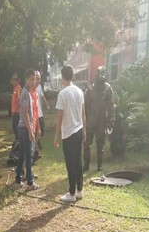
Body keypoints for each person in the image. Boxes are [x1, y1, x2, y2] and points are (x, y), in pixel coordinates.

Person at [54, 65, 86, 203]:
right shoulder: (79, 91)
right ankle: (79, 191)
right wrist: (84, 130)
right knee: (78, 161)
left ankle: (72, 194)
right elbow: (83, 114)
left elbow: (59, 117)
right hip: (79, 130)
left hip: (69, 134)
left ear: (63, 76)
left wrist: (56, 136)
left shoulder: (63, 94)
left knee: (70, 164)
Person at [83, 66, 115, 172]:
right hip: (91, 119)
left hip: (102, 120)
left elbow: (111, 104)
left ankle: (99, 165)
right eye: (97, 74)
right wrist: (84, 119)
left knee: (100, 143)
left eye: (101, 74)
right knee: (87, 143)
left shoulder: (108, 88)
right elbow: (85, 105)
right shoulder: (90, 88)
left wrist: (111, 118)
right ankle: (86, 164)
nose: (99, 76)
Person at [15, 69, 40, 191]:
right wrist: (31, 132)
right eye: (31, 79)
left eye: (34, 79)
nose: (33, 82)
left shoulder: (28, 92)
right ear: (26, 80)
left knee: (22, 155)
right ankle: (30, 183)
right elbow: (24, 114)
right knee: (28, 156)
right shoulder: (25, 93)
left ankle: (18, 180)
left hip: (23, 128)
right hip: (25, 129)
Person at [8, 74, 22, 162]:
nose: (14, 81)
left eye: (16, 80)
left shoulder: (18, 88)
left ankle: (17, 151)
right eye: (13, 80)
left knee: (17, 131)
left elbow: (20, 99)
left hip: (17, 113)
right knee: (15, 130)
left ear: (18, 81)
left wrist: (19, 110)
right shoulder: (14, 88)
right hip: (14, 112)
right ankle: (16, 150)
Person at [35, 71, 49, 150]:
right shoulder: (30, 89)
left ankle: (38, 140)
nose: (38, 80)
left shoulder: (39, 86)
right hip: (34, 114)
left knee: (42, 129)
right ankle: (33, 148)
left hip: (39, 113)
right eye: (36, 78)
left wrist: (47, 105)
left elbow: (42, 96)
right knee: (35, 131)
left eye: (39, 79)